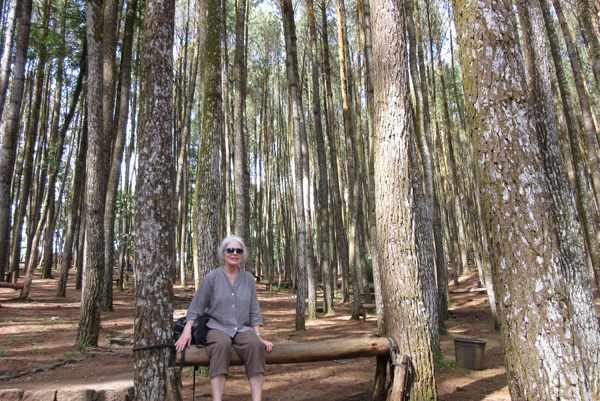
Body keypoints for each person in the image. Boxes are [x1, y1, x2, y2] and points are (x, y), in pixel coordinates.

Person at [175, 235, 273, 401]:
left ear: (242, 255)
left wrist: (258, 336)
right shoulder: (211, 278)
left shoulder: (249, 279)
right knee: (222, 344)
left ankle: (257, 399)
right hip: (216, 326)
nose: (234, 253)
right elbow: (197, 306)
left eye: (238, 250)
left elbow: (254, 310)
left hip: (242, 328)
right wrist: (186, 331)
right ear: (223, 254)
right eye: (230, 250)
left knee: (255, 346)